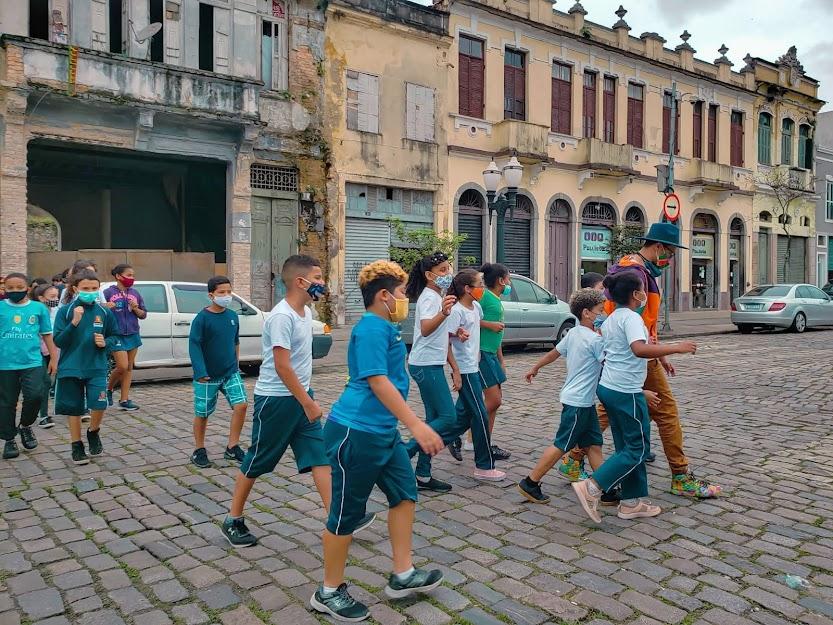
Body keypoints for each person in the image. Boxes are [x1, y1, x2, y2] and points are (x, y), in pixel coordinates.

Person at [311, 260, 444, 622]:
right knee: (346, 514)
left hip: (383, 433)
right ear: (384, 296)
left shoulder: (386, 326)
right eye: (401, 293)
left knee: (404, 495)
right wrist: (416, 424)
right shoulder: (371, 327)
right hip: (355, 432)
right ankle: (328, 591)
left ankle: (403, 574)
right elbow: (377, 381)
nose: (405, 299)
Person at [222, 256, 376, 547]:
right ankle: (233, 519)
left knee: (320, 457)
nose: (322, 283)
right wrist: (307, 402)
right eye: (317, 277)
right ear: (300, 282)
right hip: (277, 401)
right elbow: (282, 366)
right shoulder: (282, 317)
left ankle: (339, 517)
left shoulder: (305, 313)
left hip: (301, 398)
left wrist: (306, 399)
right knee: (258, 460)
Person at [564, 223, 721, 498]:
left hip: (631, 354)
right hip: (633, 354)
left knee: (611, 408)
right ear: (658, 247)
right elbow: (629, 322)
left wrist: (659, 353)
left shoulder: (633, 268)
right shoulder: (635, 274)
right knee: (666, 412)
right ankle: (681, 476)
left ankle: (574, 458)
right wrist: (668, 350)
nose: (669, 259)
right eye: (670, 253)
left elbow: (642, 324)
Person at [572, 271, 697, 523]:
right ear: (635, 294)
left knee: (626, 446)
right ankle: (593, 487)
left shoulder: (611, 319)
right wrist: (676, 347)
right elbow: (638, 349)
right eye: (642, 289)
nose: (645, 293)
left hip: (613, 387)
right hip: (624, 390)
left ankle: (631, 502)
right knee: (638, 449)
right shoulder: (630, 318)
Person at [518, 288, 607, 503]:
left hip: (579, 400)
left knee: (594, 444)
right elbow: (609, 364)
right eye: (599, 310)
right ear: (587, 313)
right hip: (578, 402)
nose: (602, 314)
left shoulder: (574, 333)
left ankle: (607, 487)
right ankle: (530, 483)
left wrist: (536, 367)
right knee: (562, 444)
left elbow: (554, 353)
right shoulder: (594, 340)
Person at [404, 252, 461, 493]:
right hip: (426, 365)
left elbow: (438, 333)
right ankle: (400, 454)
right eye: (442, 270)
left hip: (431, 362)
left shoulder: (438, 296)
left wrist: (457, 333)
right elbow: (426, 329)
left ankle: (423, 475)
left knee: (433, 420)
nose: (448, 274)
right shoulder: (429, 297)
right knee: (448, 418)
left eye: (448, 268)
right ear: (429, 275)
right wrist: (444, 313)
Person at [444, 269, 505, 481]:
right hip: (465, 369)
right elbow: (446, 341)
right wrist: (456, 371)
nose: (482, 288)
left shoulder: (476, 307)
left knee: (461, 418)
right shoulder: (456, 311)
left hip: (474, 365)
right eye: (479, 285)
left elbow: (475, 331)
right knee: (479, 415)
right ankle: (484, 465)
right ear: (467, 289)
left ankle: (422, 447)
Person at [53, 270, 118, 465]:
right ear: (75, 289)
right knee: (74, 408)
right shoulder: (65, 311)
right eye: (85, 289)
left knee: (99, 404)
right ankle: (76, 444)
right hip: (71, 367)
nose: (90, 292)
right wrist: (74, 323)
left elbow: (115, 336)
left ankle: (93, 431)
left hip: (96, 366)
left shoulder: (105, 312)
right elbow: (58, 341)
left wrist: (105, 342)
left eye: (94, 288)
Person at [188, 276, 248, 468]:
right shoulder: (202, 318)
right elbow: (194, 346)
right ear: (211, 295)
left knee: (241, 405)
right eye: (222, 292)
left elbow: (235, 342)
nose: (226, 296)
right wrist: (200, 371)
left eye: (229, 292)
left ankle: (233, 446)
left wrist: (236, 365)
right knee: (203, 412)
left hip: (230, 372)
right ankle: (199, 449)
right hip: (207, 376)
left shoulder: (232, 316)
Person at [0, 274, 57, 459]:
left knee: (35, 395)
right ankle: (9, 439)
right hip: (5, 363)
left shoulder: (38, 308)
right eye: (10, 288)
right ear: (5, 289)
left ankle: (25, 426)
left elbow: (47, 335)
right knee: (7, 402)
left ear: (27, 288)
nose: (15, 291)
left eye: (19, 287)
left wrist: (54, 359)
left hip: (32, 361)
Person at [102, 264, 146, 411]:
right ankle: (109, 388)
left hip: (133, 333)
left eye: (133, 275)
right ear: (118, 276)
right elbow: (99, 311)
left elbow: (143, 314)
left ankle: (124, 399)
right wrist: (105, 307)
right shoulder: (107, 292)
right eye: (129, 275)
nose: (132, 278)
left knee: (128, 368)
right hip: (116, 335)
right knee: (122, 365)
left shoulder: (135, 293)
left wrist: (135, 308)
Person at [34, 284, 61, 429]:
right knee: (44, 382)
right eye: (52, 297)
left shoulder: (56, 311)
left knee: (50, 382)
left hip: (54, 352)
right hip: (37, 353)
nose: (56, 299)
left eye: (57, 296)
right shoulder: (36, 312)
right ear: (41, 298)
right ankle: (43, 415)